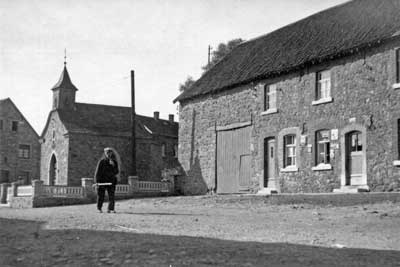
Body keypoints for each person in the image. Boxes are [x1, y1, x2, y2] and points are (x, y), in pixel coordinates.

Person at [94, 147, 119, 213]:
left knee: (111, 196)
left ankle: (110, 209)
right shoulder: (102, 161)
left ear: (111, 153)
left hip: (111, 181)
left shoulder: (114, 162)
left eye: (110, 153)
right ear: (105, 154)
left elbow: (116, 172)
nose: (108, 154)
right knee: (101, 195)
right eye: (107, 153)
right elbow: (98, 172)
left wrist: (113, 165)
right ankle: (99, 208)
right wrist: (97, 181)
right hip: (102, 181)